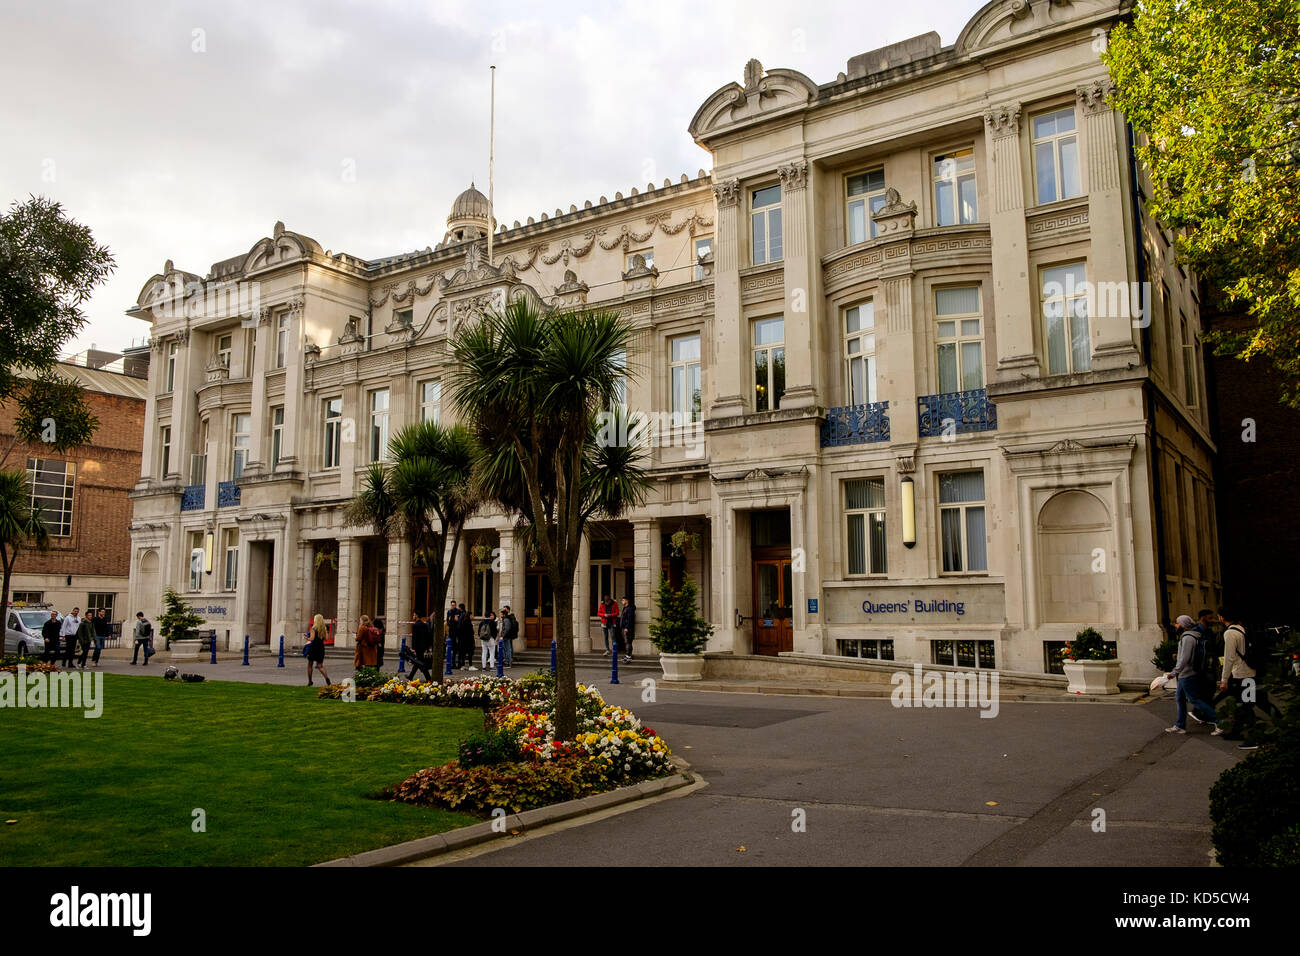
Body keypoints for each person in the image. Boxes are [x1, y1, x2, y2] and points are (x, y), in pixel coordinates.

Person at [1165, 614, 1220, 734]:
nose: (1175, 625)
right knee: (1179, 698)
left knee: (1194, 700)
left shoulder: (1188, 638)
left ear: (1183, 625)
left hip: (1187, 674)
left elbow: (1185, 659)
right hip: (1186, 673)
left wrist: (1173, 673)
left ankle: (1219, 721)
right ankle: (1180, 725)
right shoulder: (1188, 637)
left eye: (1177, 623)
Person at [407, 610, 433, 681]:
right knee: (418, 662)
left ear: (417, 616)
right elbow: (428, 636)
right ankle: (411, 676)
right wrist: (427, 647)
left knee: (419, 663)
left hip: (418, 647)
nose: (413, 616)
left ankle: (428, 678)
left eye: (414, 615)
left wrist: (413, 648)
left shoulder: (415, 625)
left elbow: (414, 637)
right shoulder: (425, 625)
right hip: (423, 646)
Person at [307, 613, 332, 686]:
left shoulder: (313, 628)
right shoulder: (325, 628)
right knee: (320, 665)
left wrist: (306, 638)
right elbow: (326, 639)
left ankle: (310, 681)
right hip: (321, 648)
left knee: (310, 665)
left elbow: (312, 639)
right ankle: (327, 678)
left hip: (313, 648)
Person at [458, 603, 476, 671]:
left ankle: (463, 665)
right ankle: (470, 665)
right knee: (469, 653)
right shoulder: (468, 622)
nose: (473, 616)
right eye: (472, 615)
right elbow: (471, 632)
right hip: (468, 640)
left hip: (463, 640)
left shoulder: (463, 621)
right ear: (470, 615)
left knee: (463, 653)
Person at [446, 601, 463, 667]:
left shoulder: (458, 611)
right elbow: (448, 622)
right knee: (452, 647)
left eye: (454, 605)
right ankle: (452, 663)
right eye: (452, 605)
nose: (453, 606)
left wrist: (457, 620)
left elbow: (459, 621)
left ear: (456, 605)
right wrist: (450, 620)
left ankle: (459, 663)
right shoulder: (449, 612)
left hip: (457, 632)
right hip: (451, 632)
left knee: (458, 647)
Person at [619, 596, 636, 663]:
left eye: (623, 600)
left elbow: (630, 619)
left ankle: (628, 655)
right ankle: (627, 655)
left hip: (627, 628)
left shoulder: (630, 609)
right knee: (626, 642)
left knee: (628, 641)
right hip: (623, 628)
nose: (622, 601)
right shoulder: (625, 608)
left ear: (627, 601)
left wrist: (627, 627)